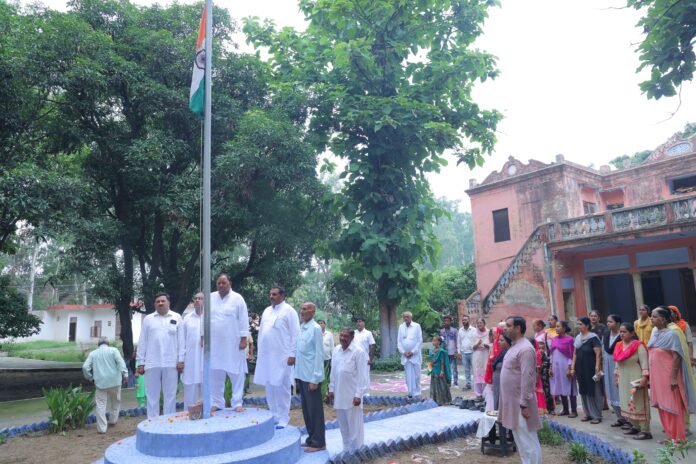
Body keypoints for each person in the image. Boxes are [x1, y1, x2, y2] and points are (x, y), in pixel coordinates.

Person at [254, 286, 300, 427]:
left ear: (282, 296)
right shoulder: (267, 311)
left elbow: (296, 334)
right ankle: (273, 414)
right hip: (267, 357)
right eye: (270, 294)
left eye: (274, 294)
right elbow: (262, 333)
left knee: (283, 387)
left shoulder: (289, 311)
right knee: (270, 386)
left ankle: (283, 418)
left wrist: (292, 354)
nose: (271, 296)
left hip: (283, 357)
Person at [648, 307, 696, 441]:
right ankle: (671, 436)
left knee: (672, 405)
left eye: (654, 316)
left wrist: (674, 377)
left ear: (663, 319)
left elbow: (676, 357)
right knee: (662, 406)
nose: (651, 318)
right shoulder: (655, 333)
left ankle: (679, 438)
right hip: (657, 376)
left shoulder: (672, 334)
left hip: (669, 376)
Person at [499, 316, 542, 464]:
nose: (505, 328)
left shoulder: (525, 349)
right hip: (513, 402)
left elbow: (528, 378)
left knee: (528, 441)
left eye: (509, 326)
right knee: (521, 441)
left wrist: (524, 404)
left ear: (518, 328)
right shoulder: (514, 346)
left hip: (521, 403)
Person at [136, 292, 182, 419]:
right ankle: (153, 423)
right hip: (152, 363)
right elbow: (142, 341)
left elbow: (181, 340)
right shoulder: (148, 319)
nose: (160, 303)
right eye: (158, 301)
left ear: (169, 302)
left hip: (171, 363)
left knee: (170, 396)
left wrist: (181, 360)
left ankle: (169, 422)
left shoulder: (177, 317)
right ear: (155, 304)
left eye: (163, 301)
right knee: (152, 396)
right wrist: (141, 362)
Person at [209, 273, 250, 413]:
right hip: (214, 343)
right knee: (215, 373)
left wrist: (244, 339)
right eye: (218, 283)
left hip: (234, 342)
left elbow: (243, 319)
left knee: (236, 372)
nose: (220, 285)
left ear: (229, 283)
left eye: (223, 283)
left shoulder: (238, 299)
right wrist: (203, 337)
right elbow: (204, 319)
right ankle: (217, 402)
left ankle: (237, 402)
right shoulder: (210, 298)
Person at [327, 328, 369, 452]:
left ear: (351, 337)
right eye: (341, 335)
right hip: (339, 395)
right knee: (343, 425)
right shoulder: (336, 350)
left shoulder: (358, 352)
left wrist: (358, 395)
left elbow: (362, 375)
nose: (342, 338)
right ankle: (346, 450)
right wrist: (331, 389)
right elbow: (333, 372)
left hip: (352, 396)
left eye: (345, 336)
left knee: (355, 426)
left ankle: (357, 451)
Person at [295, 302, 326, 453]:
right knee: (307, 411)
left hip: (311, 377)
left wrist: (315, 379)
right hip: (302, 375)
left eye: (305, 309)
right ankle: (311, 439)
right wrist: (296, 376)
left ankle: (319, 442)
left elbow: (319, 355)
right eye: (301, 309)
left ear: (313, 312)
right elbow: (300, 354)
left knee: (315, 412)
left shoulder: (315, 329)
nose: (302, 311)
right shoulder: (302, 328)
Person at [82, 337, 128, 433]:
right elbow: (121, 363)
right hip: (115, 381)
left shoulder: (93, 353)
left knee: (101, 405)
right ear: (108, 343)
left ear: (98, 344)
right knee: (116, 401)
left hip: (100, 383)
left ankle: (102, 428)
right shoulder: (114, 350)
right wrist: (125, 374)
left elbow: (85, 367)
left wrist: (90, 378)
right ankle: (113, 420)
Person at [614, 322, 651, 440]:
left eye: (624, 332)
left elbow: (645, 363)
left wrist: (644, 378)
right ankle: (635, 427)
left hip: (636, 376)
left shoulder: (638, 345)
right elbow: (617, 362)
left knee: (639, 402)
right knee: (626, 401)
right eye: (620, 332)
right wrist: (616, 376)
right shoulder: (619, 345)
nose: (621, 334)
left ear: (632, 333)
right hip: (623, 377)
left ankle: (645, 430)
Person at [571, 316, 603, 424]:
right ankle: (588, 413)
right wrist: (572, 367)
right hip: (580, 368)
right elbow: (575, 353)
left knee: (593, 390)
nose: (578, 326)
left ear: (587, 325)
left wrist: (597, 367)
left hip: (591, 368)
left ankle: (596, 415)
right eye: (578, 324)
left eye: (580, 324)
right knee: (583, 390)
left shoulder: (593, 338)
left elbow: (598, 354)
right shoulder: (578, 338)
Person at [180, 292, 204, 409]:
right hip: (191, 359)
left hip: (206, 359)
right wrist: (181, 359)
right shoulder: (187, 319)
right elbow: (182, 340)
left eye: (200, 298)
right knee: (190, 387)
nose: (197, 300)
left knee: (208, 386)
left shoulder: (210, 317)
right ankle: (188, 413)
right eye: (195, 298)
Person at [549, 320, 577, 417]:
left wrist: (570, 367)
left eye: (558, 326)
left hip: (566, 366)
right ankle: (565, 409)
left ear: (564, 328)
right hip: (556, 367)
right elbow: (552, 354)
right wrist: (550, 367)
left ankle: (574, 410)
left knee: (570, 388)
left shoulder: (570, 339)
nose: (556, 328)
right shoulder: (554, 339)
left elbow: (572, 354)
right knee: (560, 387)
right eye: (556, 326)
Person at [602, 314, 626, 427]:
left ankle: (628, 418)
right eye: (607, 321)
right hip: (607, 364)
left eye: (610, 322)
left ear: (617, 323)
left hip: (619, 364)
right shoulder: (606, 335)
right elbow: (603, 350)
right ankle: (619, 417)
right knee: (611, 389)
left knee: (620, 389)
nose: (608, 324)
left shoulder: (623, 335)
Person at [397, 311, 423, 399]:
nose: (405, 318)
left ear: (411, 318)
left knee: (416, 375)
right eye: (404, 317)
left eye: (407, 317)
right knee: (408, 375)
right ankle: (410, 393)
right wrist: (404, 352)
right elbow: (399, 342)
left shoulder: (416, 326)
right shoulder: (401, 327)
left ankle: (417, 393)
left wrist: (412, 352)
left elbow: (420, 341)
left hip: (415, 355)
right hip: (405, 356)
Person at [533, 319, 554, 414]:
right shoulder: (536, 335)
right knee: (539, 383)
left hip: (545, 361)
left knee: (546, 384)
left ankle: (551, 407)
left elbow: (550, 349)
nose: (533, 327)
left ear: (540, 326)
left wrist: (550, 363)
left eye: (534, 325)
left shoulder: (547, 335)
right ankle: (542, 405)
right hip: (537, 360)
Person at [428, 335, 452, 405]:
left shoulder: (441, 351)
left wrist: (442, 371)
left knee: (441, 386)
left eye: (435, 340)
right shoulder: (431, 351)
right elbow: (430, 361)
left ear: (439, 342)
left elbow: (442, 362)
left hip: (439, 371)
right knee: (434, 385)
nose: (433, 342)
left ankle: (443, 400)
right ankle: (434, 400)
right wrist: (429, 370)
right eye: (433, 340)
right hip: (433, 371)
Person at [472, 318, 491, 401]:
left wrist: (487, 346)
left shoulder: (489, 332)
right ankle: (478, 394)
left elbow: (492, 343)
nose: (479, 324)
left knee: (486, 373)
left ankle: (486, 394)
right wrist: (477, 345)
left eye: (481, 323)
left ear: (484, 323)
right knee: (477, 374)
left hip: (486, 354)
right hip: (477, 356)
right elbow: (472, 347)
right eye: (478, 323)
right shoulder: (474, 333)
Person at [354, 318, 376, 388]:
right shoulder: (354, 333)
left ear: (364, 323)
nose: (358, 323)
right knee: (356, 375)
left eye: (360, 322)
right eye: (357, 322)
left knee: (365, 376)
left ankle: (366, 394)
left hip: (365, 358)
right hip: (354, 358)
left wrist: (371, 359)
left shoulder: (368, 333)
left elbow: (372, 345)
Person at [528, 337, 547, 415]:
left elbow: (538, 367)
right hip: (530, 374)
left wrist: (536, 377)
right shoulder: (530, 352)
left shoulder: (537, 353)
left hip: (535, 375)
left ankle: (539, 410)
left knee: (537, 392)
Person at [491, 333, 510, 411]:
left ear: (508, 342)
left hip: (503, 381)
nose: (499, 342)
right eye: (499, 340)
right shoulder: (502, 352)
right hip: (497, 380)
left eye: (502, 340)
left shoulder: (508, 354)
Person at [457, 315, 477, 390]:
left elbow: (476, 340)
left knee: (475, 369)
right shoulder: (460, 330)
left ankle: (476, 384)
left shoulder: (474, 330)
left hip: (473, 352)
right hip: (464, 353)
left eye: (465, 320)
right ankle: (468, 384)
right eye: (463, 320)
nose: (464, 321)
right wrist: (459, 352)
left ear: (469, 320)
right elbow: (458, 342)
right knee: (466, 369)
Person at [440, 315, 459, 387]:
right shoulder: (442, 331)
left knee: (454, 368)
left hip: (453, 352)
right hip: (445, 352)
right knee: (446, 368)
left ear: (450, 322)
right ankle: (448, 382)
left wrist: (457, 351)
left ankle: (456, 382)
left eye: (448, 321)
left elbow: (457, 341)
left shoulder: (454, 330)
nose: (446, 322)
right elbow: (441, 342)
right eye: (445, 321)